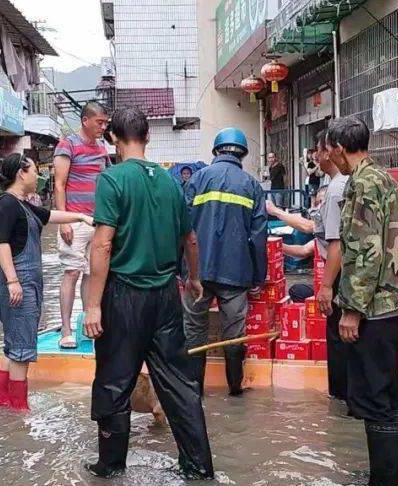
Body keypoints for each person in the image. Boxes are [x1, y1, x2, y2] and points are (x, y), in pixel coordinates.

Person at [83, 107, 213, 479]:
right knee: (179, 384)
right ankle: (199, 467)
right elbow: (189, 238)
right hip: (166, 296)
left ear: (112, 138)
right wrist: (194, 278)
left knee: (114, 381)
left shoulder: (112, 179)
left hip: (125, 298)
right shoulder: (171, 182)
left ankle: (110, 467)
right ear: (149, 137)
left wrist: (93, 305)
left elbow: (103, 245)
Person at [328, 116, 398, 485]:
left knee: (374, 400)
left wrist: (351, 310)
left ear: (338, 147)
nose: (329, 155)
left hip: (376, 308)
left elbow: (366, 253)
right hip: (395, 302)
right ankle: (397, 471)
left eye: (329, 148)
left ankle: (385, 478)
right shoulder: (382, 178)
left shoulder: (362, 185)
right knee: (390, 393)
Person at [0, 153, 93, 411]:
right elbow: (0, 244)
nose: (39, 176)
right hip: (18, 285)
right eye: (35, 171)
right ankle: (18, 412)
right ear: (21, 173)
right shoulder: (6, 205)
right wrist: (13, 281)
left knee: (14, 343)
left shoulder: (22, 204)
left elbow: (48, 215)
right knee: (22, 348)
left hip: (25, 283)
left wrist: (79, 217)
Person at [182, 127, 268, 396]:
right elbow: (258, 237)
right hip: (236, 272)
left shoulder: (196, 180)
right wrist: (258, 277)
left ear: (216, 151)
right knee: (234, 332)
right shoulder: (251, 185)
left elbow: (181, 229)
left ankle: (194, 390)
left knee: (194, 330)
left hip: (197, 271)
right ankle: (235, 389)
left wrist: (179, 269)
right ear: (242, 154)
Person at [266, 129, 350, 402]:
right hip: (338, 272)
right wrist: (273, 247)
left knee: (340, 336)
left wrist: (276, 212)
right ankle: (343, 395)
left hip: (339, 274)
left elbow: (323, 235)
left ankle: (341, 397)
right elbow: (305, 248)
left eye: (317, 150)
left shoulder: (337, 188)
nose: (314, 156)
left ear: (331, 151)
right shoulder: (340, 184)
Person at [53, 101, 110, 349]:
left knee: (92, 274)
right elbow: (59, 184)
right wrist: (64, 220)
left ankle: (89, 325)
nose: (103, 127)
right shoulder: (67, 145)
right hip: (74, 221)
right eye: (100, 122)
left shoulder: (101, 150)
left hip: (97, 222)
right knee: (72, 272)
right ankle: (65, 331)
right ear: (86, 120)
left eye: (106, 123)